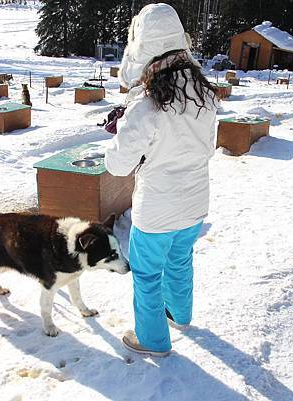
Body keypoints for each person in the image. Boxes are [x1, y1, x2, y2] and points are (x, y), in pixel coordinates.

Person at [104, 3, 218, 357]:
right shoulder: (205, 94)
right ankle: (179, 315)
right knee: (181, 260)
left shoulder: (148, 103)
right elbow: (208, 147)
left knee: (147, 274)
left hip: (157, 210)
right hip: (196, 202)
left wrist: (123, 126)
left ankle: (151, 340)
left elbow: (118, 164)